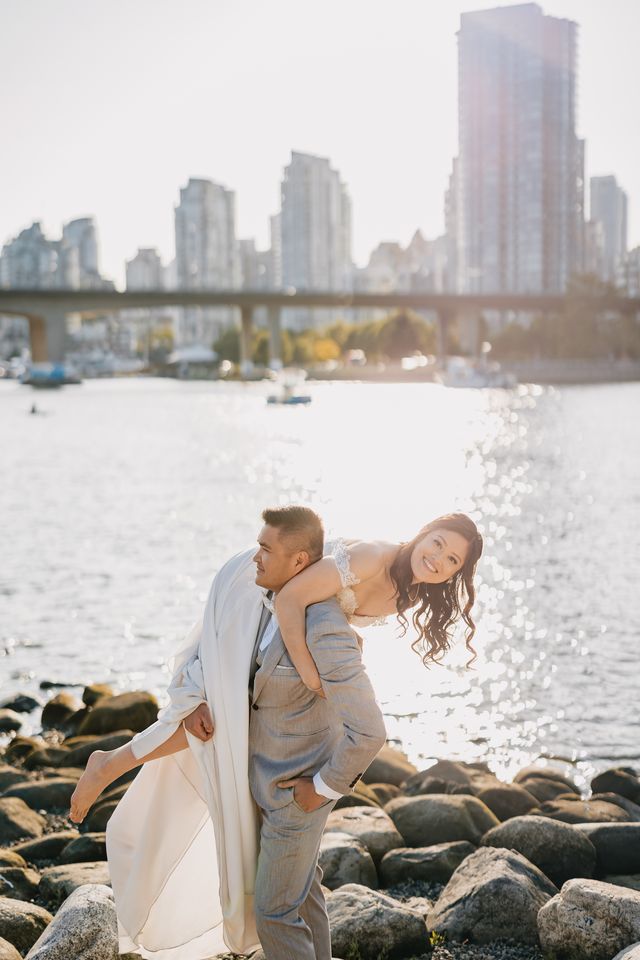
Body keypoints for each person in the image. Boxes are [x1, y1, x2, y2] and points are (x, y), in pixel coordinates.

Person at [275, 512, 483, 693]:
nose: (438, 558)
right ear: (423, 533)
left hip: (292, 620)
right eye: (437, 543)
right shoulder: (373, 557)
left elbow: (329, 608)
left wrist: (350, 638)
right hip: (268, 593)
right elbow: (287, 599)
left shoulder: (411, 595)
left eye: (452, 559)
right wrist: (312, 681)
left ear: (454, 574)